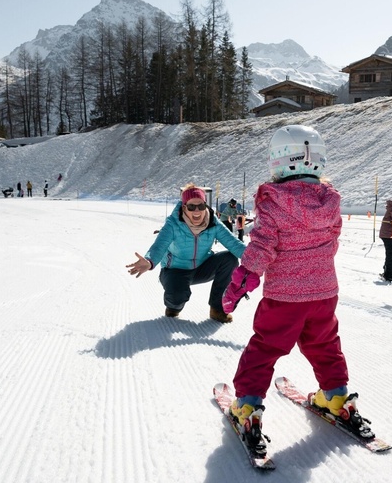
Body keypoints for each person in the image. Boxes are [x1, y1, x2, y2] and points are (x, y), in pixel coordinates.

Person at [221, 124, 369, 453]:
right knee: (325, 344)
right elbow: (332, 241)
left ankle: (247, 407)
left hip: (285, 296)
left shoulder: (273, 201)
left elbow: (261, 248)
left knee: (264, 350)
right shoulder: (329, 200)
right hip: (323, 292)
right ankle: (336, 397)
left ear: (277, 161)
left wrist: (240, 281)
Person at [126, 184, 246, 323]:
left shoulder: (213, 223)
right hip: (175, 270)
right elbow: (159, 246)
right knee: (177, 298)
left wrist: (258, 258)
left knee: (229, 259)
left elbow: (234, 244)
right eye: (191, 206)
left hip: (202, 267)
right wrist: (149, 261)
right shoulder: (173, 224)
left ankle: (217, 309)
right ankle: (173, 306)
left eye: (201, 206)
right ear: (184, 207)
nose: (197, 211)